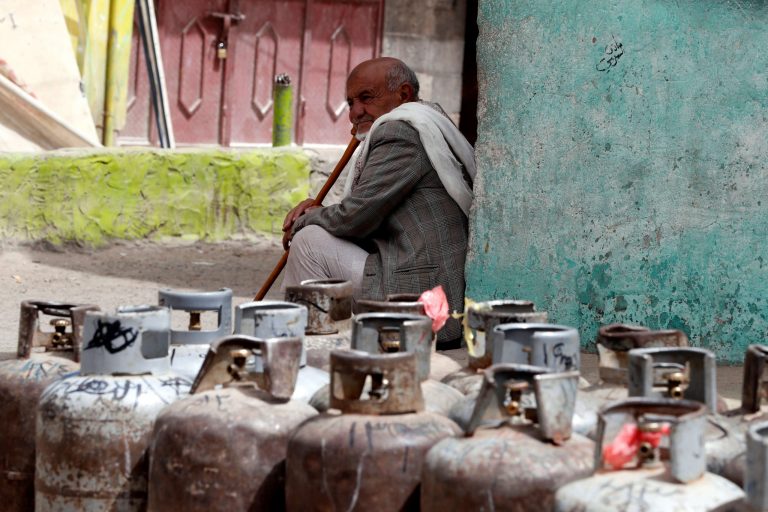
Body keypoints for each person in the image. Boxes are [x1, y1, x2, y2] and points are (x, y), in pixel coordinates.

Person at [281, 57, 475, 343]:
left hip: (425, 298)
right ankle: (312, 335)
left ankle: (304, 344)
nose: (356, 112)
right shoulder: (427, 120)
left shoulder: (400, 131)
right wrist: (320, 213)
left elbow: (353, 218)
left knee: (309, 241)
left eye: (366, 98)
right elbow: (365, 216)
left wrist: (304, 219)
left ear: (404, 94)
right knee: (316, 234)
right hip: (431, 286)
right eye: (350, 103)